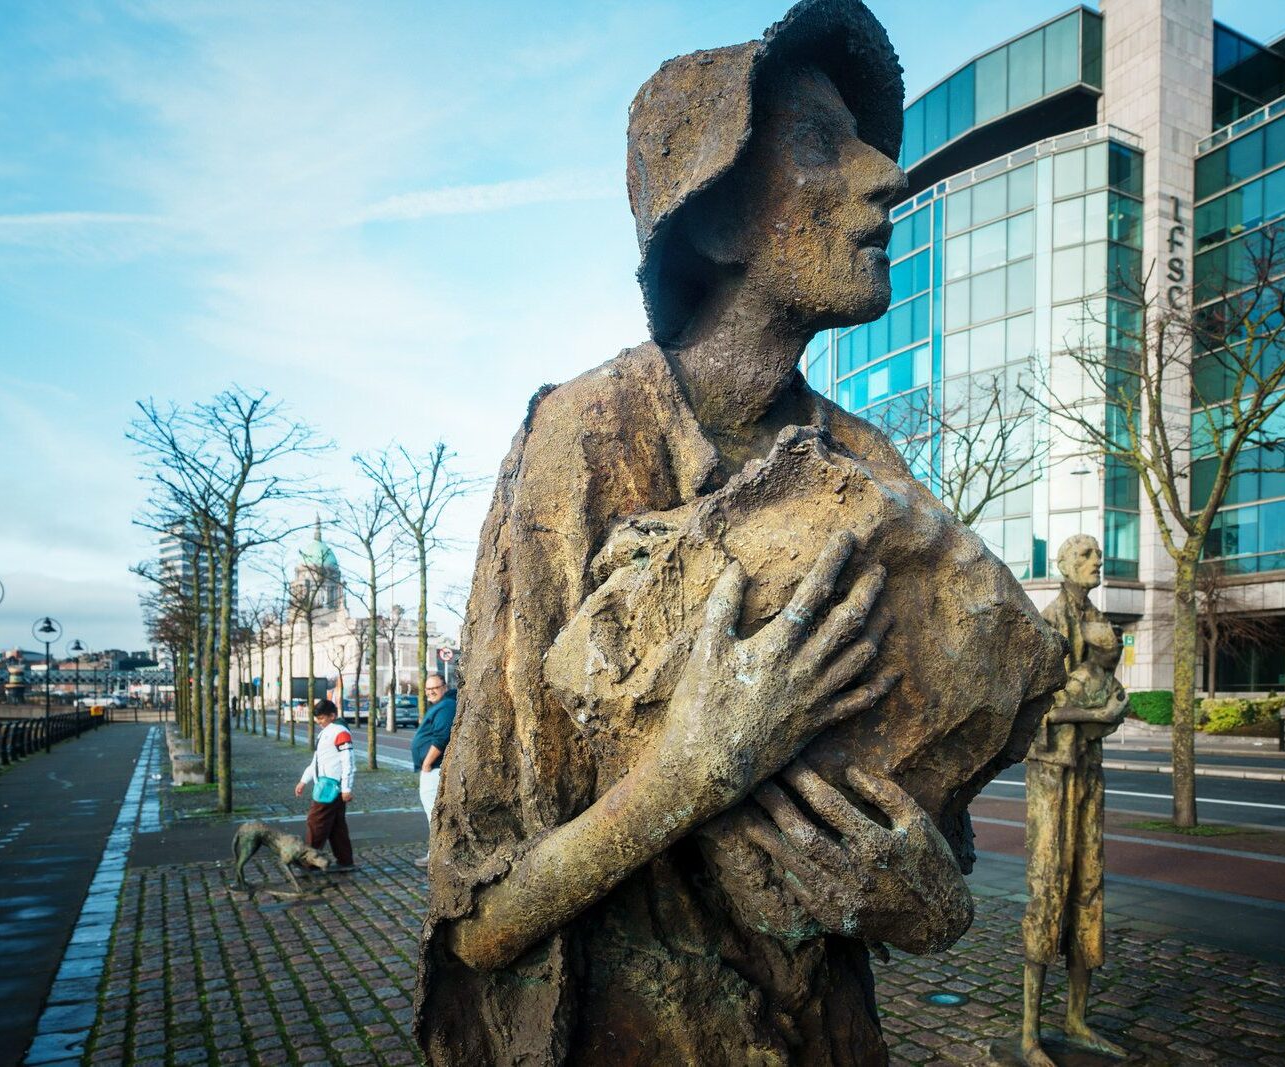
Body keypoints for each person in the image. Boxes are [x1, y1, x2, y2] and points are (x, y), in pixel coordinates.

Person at [414, 2, 1059, 1062]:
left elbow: (936, 850)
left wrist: (927, 898)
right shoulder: (580, 439)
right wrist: (695, 771)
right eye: (819, 143)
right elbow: (482, 923)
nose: (886, 175)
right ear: (710, 213)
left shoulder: (872, 475)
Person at [1019, 535, 1130, 1065]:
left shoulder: (1100, 619)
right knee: (1049, 886)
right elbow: (1032, 712)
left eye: (1097, 555)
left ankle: (1077, 1019)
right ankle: (1029, 1034)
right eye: (1085, 556)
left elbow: (1107, 689)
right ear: (1063, 565)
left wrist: (1109, 713)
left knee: (1090, 885)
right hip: (1051, 776)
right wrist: (1094, 716)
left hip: (1088, 771)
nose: (1096, 562)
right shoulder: (1047, 622)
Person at [294, 697, 356, 872]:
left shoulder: (339, 732)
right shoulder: (330, 731)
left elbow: (348, 761)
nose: (319, 722)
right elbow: (317, 761)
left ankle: (308, 861)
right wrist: (304, 780)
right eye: (318, 718)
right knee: (337, 826)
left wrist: (346, 788)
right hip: (330, 785)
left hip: (330, 787)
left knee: (316, 823)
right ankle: (345, 860)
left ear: (332, 715)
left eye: (322, 718)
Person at [411, 674, 457, 869]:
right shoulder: (441, 706)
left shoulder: (446, 706)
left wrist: (427, 763)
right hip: (432, 768)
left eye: (435, 688)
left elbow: (440, 737)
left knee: (434, 813)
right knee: (434, 813)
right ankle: (437, 853)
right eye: (428, 689)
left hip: (434, 768)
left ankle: (438, 855)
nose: (431, 692)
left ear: (444, 687)